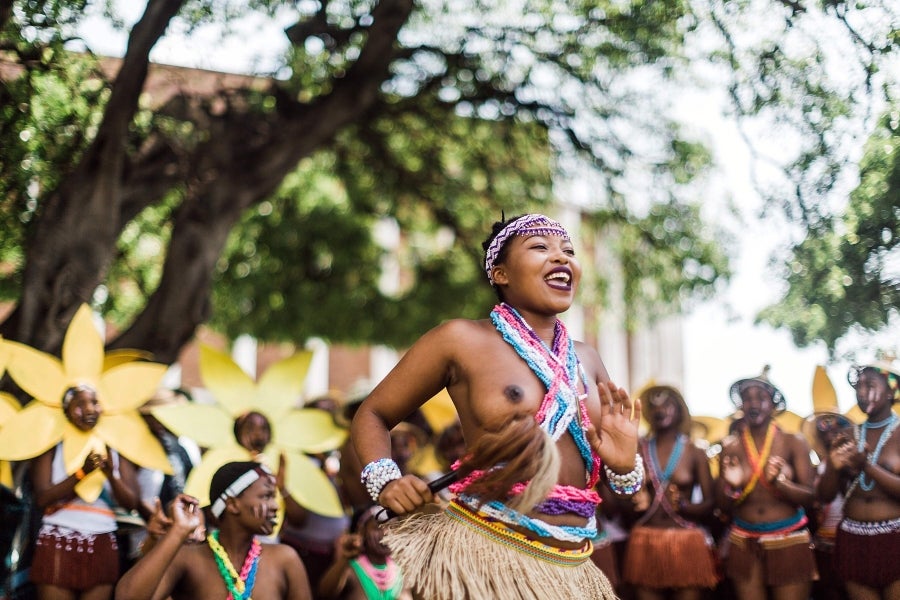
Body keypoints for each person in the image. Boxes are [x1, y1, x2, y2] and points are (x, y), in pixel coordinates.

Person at [350, 213, 642, 599]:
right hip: (488, 556)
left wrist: (624, 467)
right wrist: (386, 480)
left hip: (576, 566)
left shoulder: (586, 359)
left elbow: (620, 487)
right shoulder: (461, 339)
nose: (562, 258)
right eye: (541, 248)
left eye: (568, 251)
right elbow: (373, 414)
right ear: (500, 274)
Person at [115, 461, 312, 600]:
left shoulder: (285, 559)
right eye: (266, 496)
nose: (275, 506)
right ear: (233, 504)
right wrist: (178, 531)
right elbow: (127, 596)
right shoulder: (189, 559)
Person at [30, 384, 141, 600]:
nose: (89, 410)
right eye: (79, 404)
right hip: (58, 538)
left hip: (102, 540)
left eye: (94, 403)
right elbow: (42, 498)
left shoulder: (114, 447)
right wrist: (82, 473)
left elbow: (132, 503)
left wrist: (111, 475)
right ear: (65, 410)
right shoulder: (53, 446)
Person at [715, 367, 817, 600]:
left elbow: (811, 497)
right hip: (744, 538)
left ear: (773, 404)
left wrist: (781, 484)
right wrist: (731, 486)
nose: (754, 404)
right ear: (740, 406)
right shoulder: (731, 446)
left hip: (788, 538)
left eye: (761, 397)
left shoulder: (794, 442)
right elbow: (721, 506)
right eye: (747, 398)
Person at [622, 384, 719, 599]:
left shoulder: (695, 452)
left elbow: (711, 503)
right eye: (653, 406)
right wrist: (636, 495)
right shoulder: (637, 449)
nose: (660, 410)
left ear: (679, 410)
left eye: (667, 405)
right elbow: (621, 497)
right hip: (645, 539)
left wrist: (684, 506)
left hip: (686, 540)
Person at [816, 360, 900, 599]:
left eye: (870, 384)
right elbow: (824, 496)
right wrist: (833, 467)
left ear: (892, 390)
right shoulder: (846, 434)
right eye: (859, 386)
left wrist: (865, 466)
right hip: (853, 540)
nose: (862, 392)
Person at [802, 411, 854, 600]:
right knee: (830, 591)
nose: (830, 435)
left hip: (853, 540)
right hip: (826, 543)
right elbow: (824, 497)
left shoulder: (858, 461)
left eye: (835, 429)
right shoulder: (821, 467)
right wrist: (833, 464)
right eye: (824, 431)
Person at [317, 505, 412, 600]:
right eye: (378, 527)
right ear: (362, 531)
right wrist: (344, 559)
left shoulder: (403, 570)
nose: (386, 533)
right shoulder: (352, 569)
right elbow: (325, 593)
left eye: (392, 528)